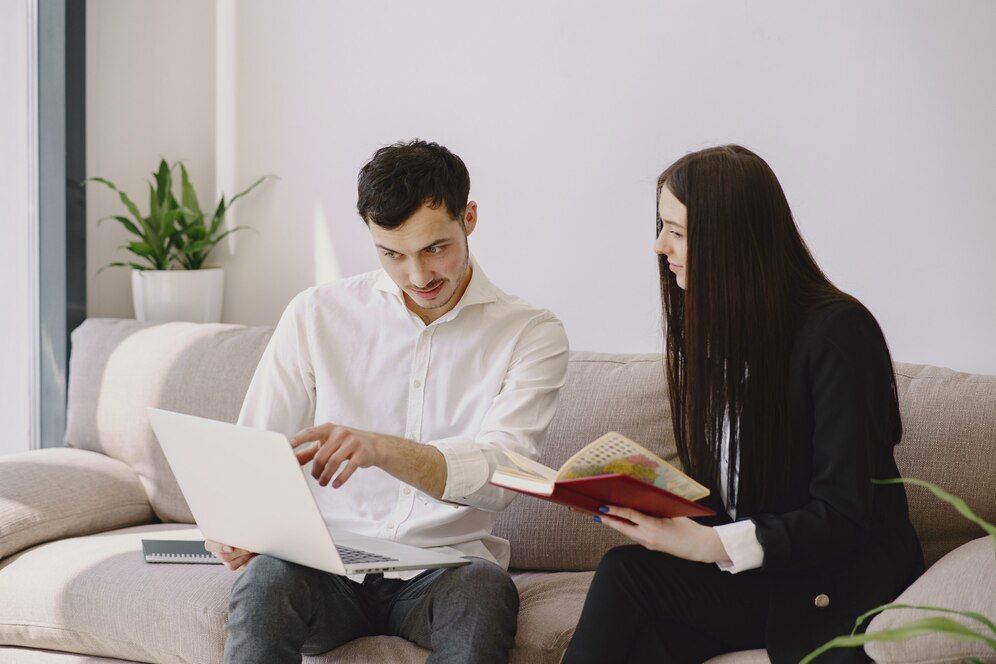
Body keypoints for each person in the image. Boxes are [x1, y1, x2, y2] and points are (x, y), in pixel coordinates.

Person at [205, 139, 569, 664]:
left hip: (446, 569)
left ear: (468, 218)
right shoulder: (316, 314)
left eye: (435, 248)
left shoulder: (530, 332)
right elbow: (254, 451)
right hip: (326, 564)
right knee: (266, 581)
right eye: (393, 255)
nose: (418, 276)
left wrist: (380, 449)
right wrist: (237, 526)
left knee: (486, 591)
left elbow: (502, 474)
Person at [562, 145, 924, 664]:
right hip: (765, 577)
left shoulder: (838, 334)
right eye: (662, 227)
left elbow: (843, 517)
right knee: (638, 617)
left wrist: (709, 546)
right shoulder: (717, 338)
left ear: (731, 242)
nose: (660, 246)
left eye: (677, 232)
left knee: (628, 579)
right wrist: (657, 506)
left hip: (833, 581)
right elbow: (741, 498)